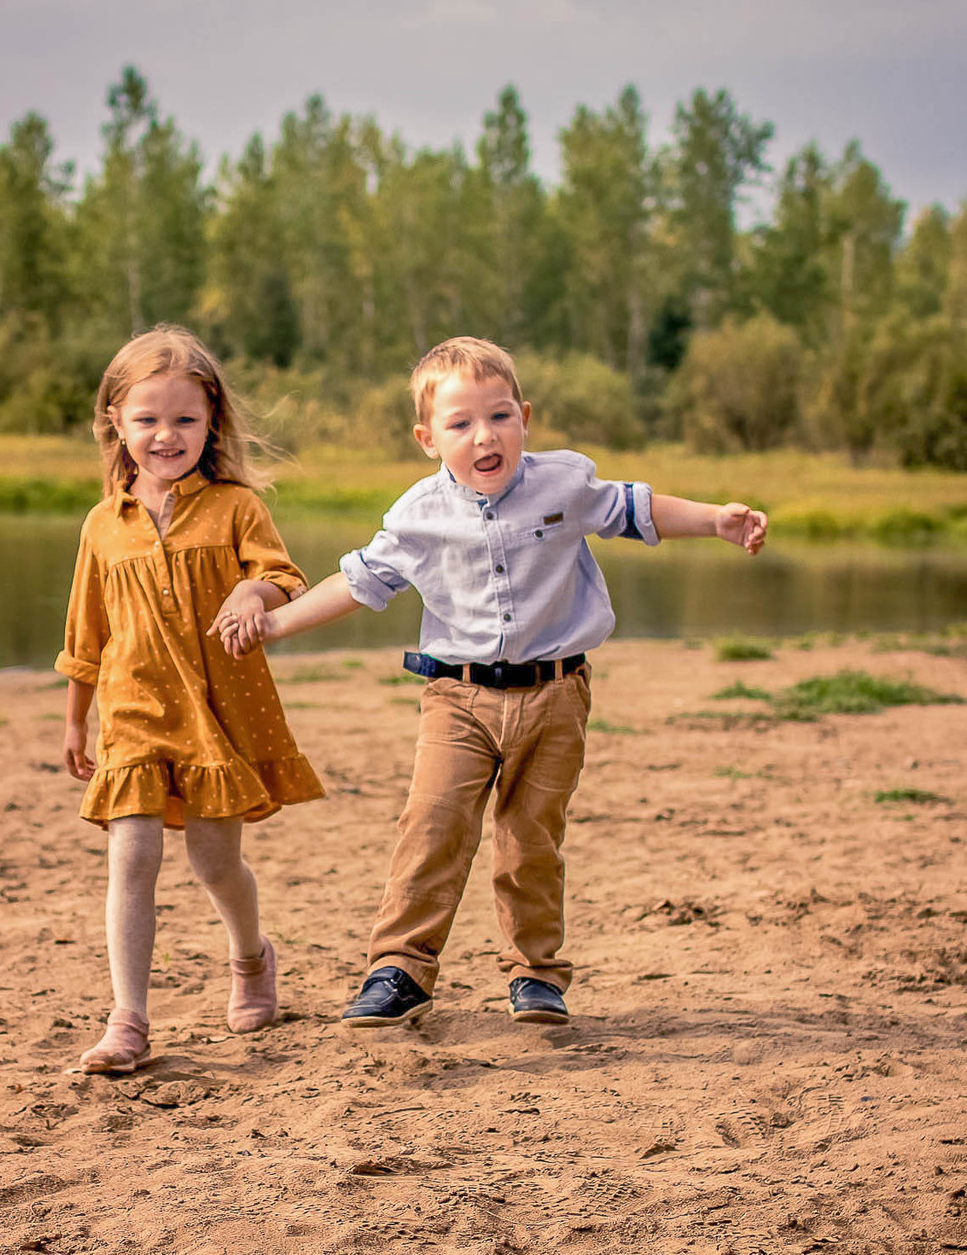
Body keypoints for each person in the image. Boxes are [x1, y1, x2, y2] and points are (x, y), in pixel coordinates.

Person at [213, 335, 767, 1030]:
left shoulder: (564, 483)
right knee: (433, 824)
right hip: (458, 698)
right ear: (427, 438)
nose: (485, 436)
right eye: (461, 424)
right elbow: (357, 585)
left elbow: (639, 509)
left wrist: (715, 520)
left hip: (555, 695)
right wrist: (275, 626)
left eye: (500, 416)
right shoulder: (418, 514)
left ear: (525, 418)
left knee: (531, 837)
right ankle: (400, 968)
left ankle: (535, 974)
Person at [57, 326, 326, 1074]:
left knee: (215, 863)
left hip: (216, 714)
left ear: (211, 423)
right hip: (133, 711)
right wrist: (75, 721)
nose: (165, 435)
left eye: (184, 420)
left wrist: (250, 587)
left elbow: (283, 577)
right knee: (132, 856)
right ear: (115, 420)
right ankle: (129, 1020)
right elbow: (86, 632)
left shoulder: (236, 507)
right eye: (146, 419)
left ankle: (250, 956)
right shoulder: (103, 526)